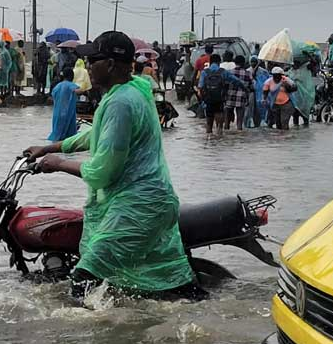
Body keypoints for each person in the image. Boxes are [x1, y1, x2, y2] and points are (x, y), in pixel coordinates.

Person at [24, 31, 201, 300]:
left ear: (109, 64)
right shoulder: (133, 89)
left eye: (93, 60)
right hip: (149, 202)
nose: (87, 67)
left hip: (136, 208)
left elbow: (102, 171)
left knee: (85, 278)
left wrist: (58, 164)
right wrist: (48, 148)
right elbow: (96, 134)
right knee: (164, 283)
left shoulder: (120, 102)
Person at [197, 52, 247, 135]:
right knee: (220, 127)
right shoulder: (223, 72)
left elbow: (200, 87)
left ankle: (209, 141)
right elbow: (236, 81)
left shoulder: (204, 72)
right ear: (219, 62)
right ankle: (220, 142)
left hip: (208, 100)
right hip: (219, 100)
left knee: (209, 126)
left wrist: (203, 100)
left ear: (210, 62)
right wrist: (244, 89)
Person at [48, 67, 81, 141]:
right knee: (69, 136)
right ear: (72, 76)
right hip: (67, 113)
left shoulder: (57, 86)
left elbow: (52, 96)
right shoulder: (70, 85)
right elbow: (78, 91)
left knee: (57, 134)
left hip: (57, 114)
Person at [224, 55, 253, 131]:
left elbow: (225, 85)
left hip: (229, 98)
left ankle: (225, 137)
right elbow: (251, 87)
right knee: (239, 123)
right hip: (241, 98)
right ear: (243, 63)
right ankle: (239, 137)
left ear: (235, 62)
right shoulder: (248, 73)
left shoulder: (229, 72)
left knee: (226, 122)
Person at [290, 59, 315, 127]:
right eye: (294, 63)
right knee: (295, 118)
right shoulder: (290, 71)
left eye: (296, 63)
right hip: (295, 98)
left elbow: (313, 63)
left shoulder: (305, 69)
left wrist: (309, 56)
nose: (295, 65)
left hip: (304, 97)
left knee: (305, 117)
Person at [246, 55, 270, 128]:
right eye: (252, 62)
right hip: (251, 92)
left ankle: (261, 122)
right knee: (251, 108)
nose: (253, 63)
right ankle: (250, 122)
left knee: (261, 107)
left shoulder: (263, 71)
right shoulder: (247, 71)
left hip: (260, 92)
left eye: (255, 62)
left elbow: (267, 80)